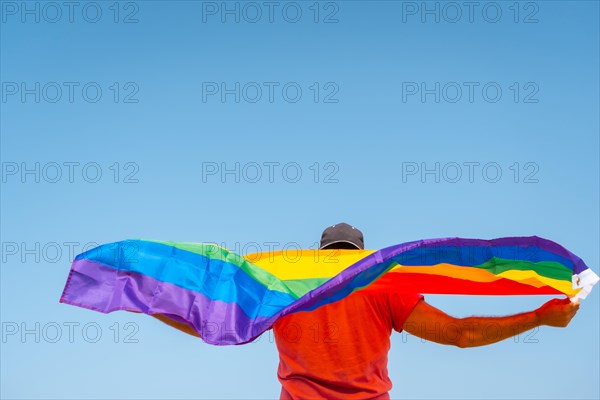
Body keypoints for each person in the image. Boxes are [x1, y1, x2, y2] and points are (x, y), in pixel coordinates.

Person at [272, 223, 580, 400]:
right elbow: (461, 334)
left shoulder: (281, 293)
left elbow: (228, 312)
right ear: (363, 258)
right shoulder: (383, 288)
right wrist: (539, 318)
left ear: (318, 256)